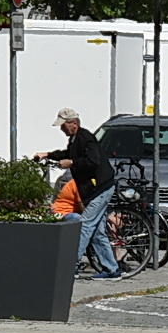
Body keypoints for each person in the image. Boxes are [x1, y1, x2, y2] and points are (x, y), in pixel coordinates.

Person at [36, 107, 120, 279]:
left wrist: (72, 162)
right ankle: (112, 270)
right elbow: (67, 154)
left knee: (85, 225)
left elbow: (93, 160)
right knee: (97, 232)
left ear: (73, 123)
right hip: (93, 190)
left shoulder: (86, 138)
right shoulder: (74, 140)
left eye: (63, 125)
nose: (61, 129)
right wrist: (48, 155)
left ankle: (70, 266)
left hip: (101, 188)